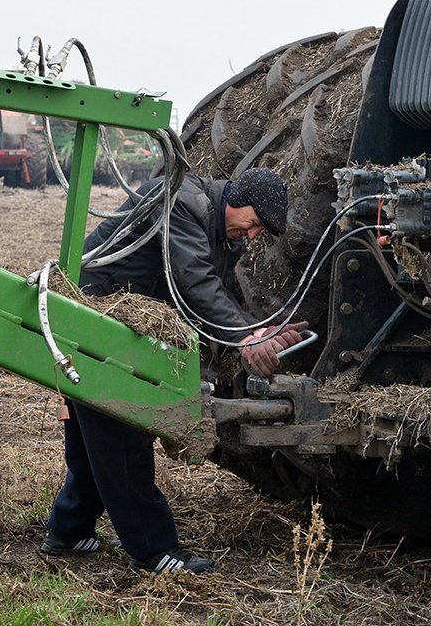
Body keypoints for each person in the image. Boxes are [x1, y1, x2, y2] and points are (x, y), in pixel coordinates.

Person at [40, 167, 307, 574]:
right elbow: (193, 282)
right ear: (237, 199)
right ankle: (153, 550)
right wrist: (246, 337)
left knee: (91, 436)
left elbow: (218, 292)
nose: (253, 236)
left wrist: (255, 332)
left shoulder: (220, 230)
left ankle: (68, 529)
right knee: (124, 428)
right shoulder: (182, 202)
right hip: (95, 315)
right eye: (253, 224)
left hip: (123, 322)